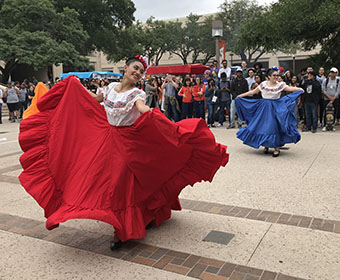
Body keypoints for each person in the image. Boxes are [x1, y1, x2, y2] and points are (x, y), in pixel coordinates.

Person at [18, 55, 229, 250]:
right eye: (135, 68)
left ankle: (120, 230)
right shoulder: (109, 88)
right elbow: (93, 101)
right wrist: (74, 89)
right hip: (105, 140)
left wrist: (159, 117)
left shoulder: (138, 93)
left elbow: (141, 108)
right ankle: (135, 215)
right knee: (98, 180)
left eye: (141, 71)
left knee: (120, 184)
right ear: (125, 68)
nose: (137, 73)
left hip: (128, 142)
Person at [236, 68, 304, 157]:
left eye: (277, 75)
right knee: (263, 126)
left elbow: (289, 88)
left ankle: (276, 148)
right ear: (268, 77)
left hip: (276, 107)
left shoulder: (280, 85)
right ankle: (266, 145)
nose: (276, 77)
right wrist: (240, 96)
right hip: (264, 107)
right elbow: (253, 91)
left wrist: (299, 89)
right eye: (274, 75)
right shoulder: (263, 84)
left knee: (274, 126)